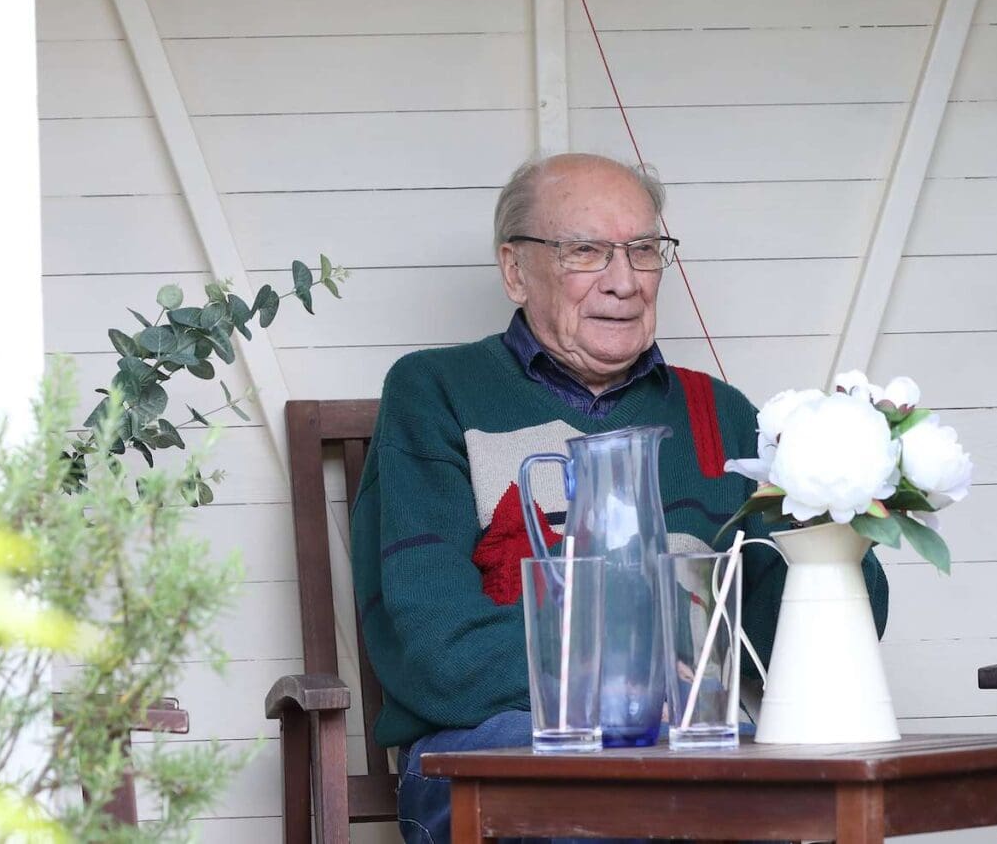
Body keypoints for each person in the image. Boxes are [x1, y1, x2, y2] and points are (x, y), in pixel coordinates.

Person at [348, 153, 890, 844]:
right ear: (516, 270)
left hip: (697, 765)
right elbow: (436, 651)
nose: (625, 282)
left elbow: (809, 644)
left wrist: (837, 515)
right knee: (613, 817)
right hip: (495, 756)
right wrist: (638, 679)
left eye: (643, 249)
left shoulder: (716, 413)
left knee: (795, 803)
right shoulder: (435, 393)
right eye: (586, 252)